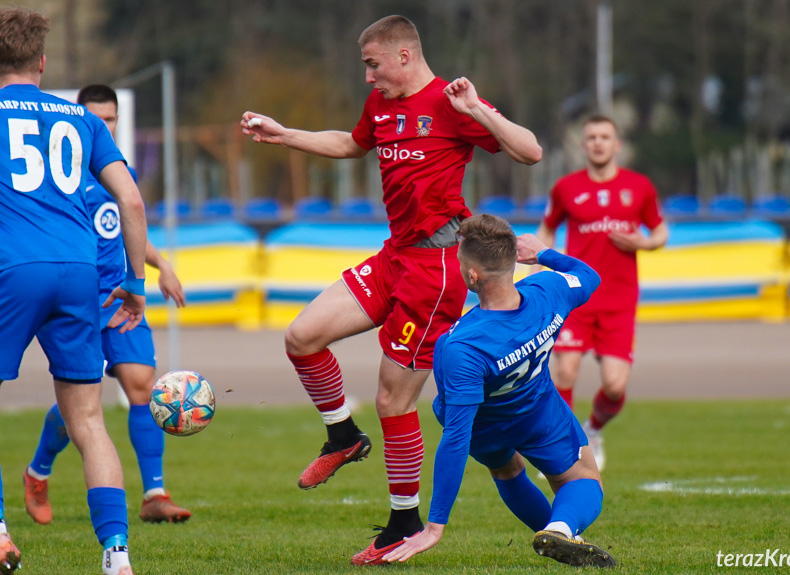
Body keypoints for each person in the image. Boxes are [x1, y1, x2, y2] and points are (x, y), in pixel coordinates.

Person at [240, 14, 542, 564]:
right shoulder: (382, 106)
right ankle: (342, 438)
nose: (367, 77)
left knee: (392, 399)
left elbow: (530, 151)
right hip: (394, 256)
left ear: (404, 56)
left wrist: (477, 109)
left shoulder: (451, 103)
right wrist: (285, 134)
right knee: (302, 336)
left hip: (438, 269)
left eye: (372, 64)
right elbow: (352, 144)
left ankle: (403, 523)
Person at [0, 8, 148, 575]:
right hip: (81, 272)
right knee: (88, 419)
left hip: (14, 268)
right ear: (42, 61)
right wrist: (134, 283)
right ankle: (116, 556)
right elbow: (131, 202)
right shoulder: (82, 120)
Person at [382, 214, 615, 568]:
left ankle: (558, 534)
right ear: (512, 262)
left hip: (483, 425)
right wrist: (544, 254)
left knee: (507, 471)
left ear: (472, 275)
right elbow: (590, 277)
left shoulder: (461, 346)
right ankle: (561, 528)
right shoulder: (548, 293)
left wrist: (435, 525)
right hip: (537, 410)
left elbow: (456, 437)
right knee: (583, 478)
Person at [22, 84, 191, 528]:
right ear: (79, 120)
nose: (105, 126)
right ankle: (38, 471)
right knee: (83, 401)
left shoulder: (118, 169)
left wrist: (162, 265)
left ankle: (154, 493)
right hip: (77, 294)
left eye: (111, 120)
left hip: (121, 294)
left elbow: (126, 225)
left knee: (141, 383)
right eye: (97, 118)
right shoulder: (61, 173)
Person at [536, 114, 668, 471]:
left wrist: (644, 242)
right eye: (591, 137)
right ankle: (560, 446)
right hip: (577, 297)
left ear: (617, 144)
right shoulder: (566, 188)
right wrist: (537, 266)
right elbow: (546, 230)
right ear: (583, 145)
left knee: (614, 385)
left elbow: (660, 232)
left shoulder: (639, 187)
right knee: (564, 373)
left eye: (604, 137)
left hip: (620, 301)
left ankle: (592, 429)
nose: (597, 142)